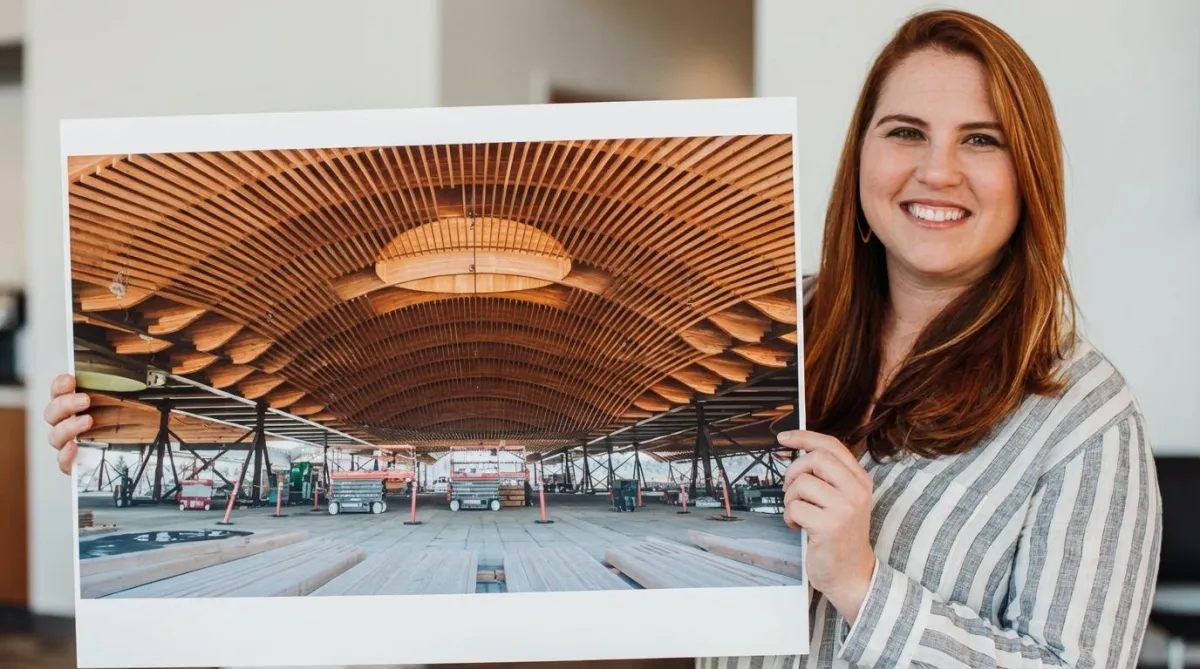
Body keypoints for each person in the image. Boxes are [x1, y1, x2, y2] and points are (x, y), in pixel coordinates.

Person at [41, 8, 1159, 669]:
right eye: (905, 130)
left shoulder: (1078, 417)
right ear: (861, 156)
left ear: (1031, 174)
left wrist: (865, 582)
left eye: (982, 140)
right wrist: (117, 433)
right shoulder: (792, 327)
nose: (937, 170)